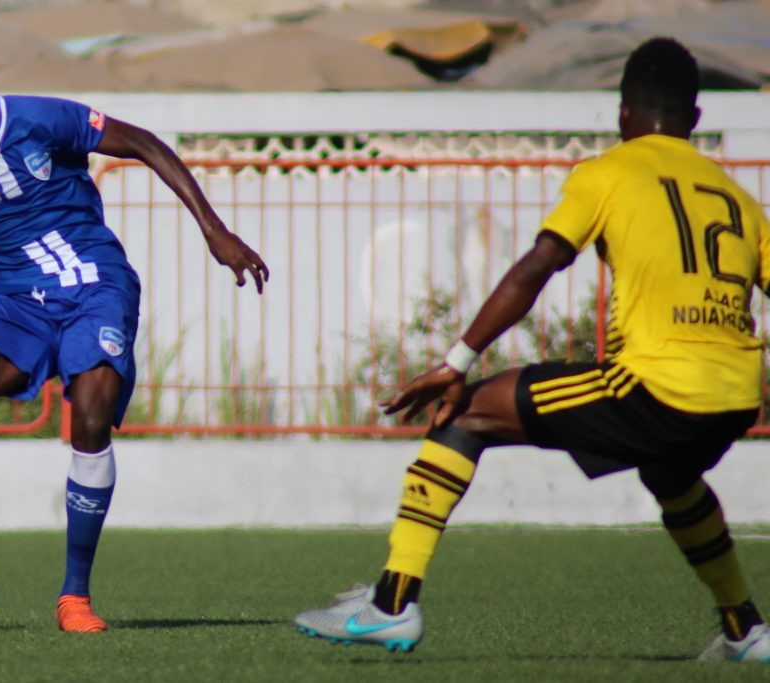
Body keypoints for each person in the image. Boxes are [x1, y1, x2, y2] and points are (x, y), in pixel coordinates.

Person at [295, 37, 770, 662]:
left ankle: (390, 606)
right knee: (672, 473)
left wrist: (456, 362)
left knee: (465, 412)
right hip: (736, 396)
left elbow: (538, 266)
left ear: (623, 112)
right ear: (697, 119)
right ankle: (745, 631)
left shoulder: (608, 172)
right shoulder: (740, 199)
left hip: (657, 386)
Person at [0, 39, 268, 633]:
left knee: (90, 415)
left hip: (95, 282)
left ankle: (75, 598)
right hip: (16, 298)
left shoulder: (42, 120)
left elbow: (143, 142)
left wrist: (215, 232)